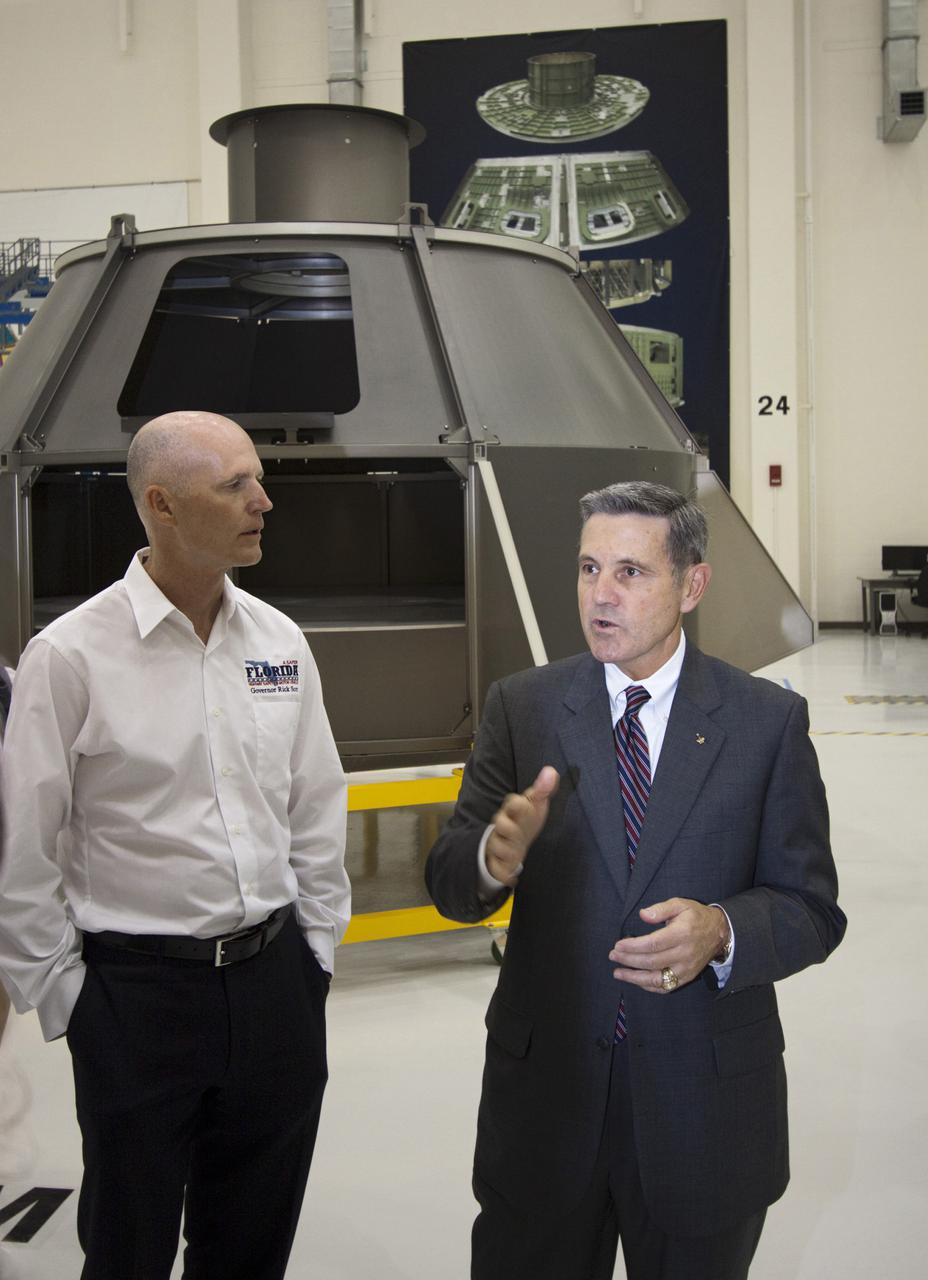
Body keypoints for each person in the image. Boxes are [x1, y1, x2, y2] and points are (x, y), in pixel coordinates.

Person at [426, 480, 846, 1280]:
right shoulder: (524, 708)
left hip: (703, 1112)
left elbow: (812, 909)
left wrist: (723, 931)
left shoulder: (764, 722)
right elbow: (450, 881)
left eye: (630, 572)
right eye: (589, 569)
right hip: (547, 1107)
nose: (600, 596)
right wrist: (489, 860)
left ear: (692, 584)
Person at [0, 411, 350, 1280]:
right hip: (136, 1001)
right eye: (234, 485)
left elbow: (314, 804)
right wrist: (71, 1001)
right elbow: (26, 851)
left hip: (275, 988)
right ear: (160, 504)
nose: (263, 500)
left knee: (251, 1244)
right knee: (130, 1247)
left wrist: (314, 956)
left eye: (257, 478)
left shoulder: (279, 643)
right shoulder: (70, 656)